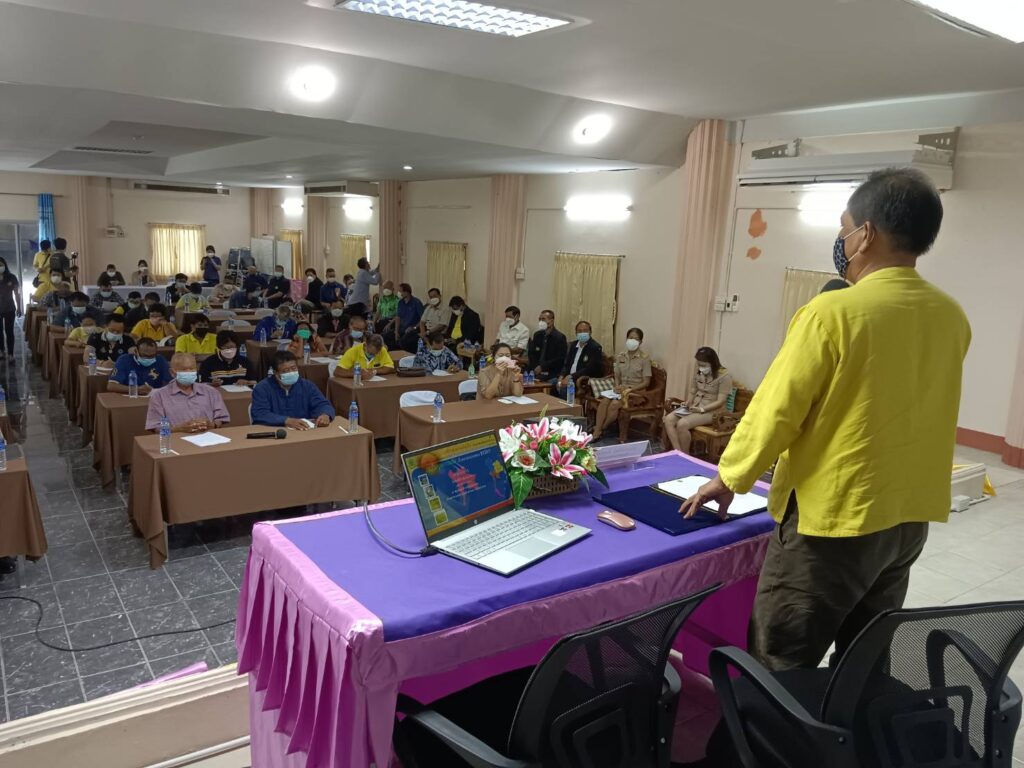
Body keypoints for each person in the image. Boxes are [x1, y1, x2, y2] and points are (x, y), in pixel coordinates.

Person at [682, 168, 971, 673]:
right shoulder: (950, 315)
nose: (842, 239)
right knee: (862, 660)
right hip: (908, 519)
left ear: (866, 234)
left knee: (780, 663)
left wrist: (730, 477)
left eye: (843, 228)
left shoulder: (833, 313)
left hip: (834, 521)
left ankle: (777, 727)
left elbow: (777, 409)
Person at [662, 347, 732, 453]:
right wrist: (688, 402)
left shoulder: (724, 376)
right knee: (668, 420)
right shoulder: (699, 372)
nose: (701, 368)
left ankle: (686, 455)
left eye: (704, 365)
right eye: (699, 364)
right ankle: (678, 453)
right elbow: (693, 390)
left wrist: (702, 409)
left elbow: (721, 401)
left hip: (713, 411)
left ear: (712, 363)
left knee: (682, 424)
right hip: (695, 407)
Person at [145, 353, 230, 434]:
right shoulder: (159, 396)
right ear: (172, 372)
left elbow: (221, 418)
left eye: (192, 369)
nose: (189, 372)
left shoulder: (211, 392)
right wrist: (178, 429)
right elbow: (156, 428)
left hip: (208, 439)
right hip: (176, 440)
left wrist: (212, 425)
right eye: (184, 369)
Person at [592, 328, 652, 440]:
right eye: (630, 338)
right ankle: (597, 430)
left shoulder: (644, 358)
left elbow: (646, 382)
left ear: (640, 342)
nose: (632, 340)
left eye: (636, 339)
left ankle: (601, 429)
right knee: (605, 401)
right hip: (621, 390)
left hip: (636, 392)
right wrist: (617, 386)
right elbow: (617, 376)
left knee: (614, 404)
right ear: (627, 339)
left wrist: (630, 389)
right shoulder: (621, 356)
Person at [251, 351, 335, 429]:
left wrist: (325, 414)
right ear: (275, 373)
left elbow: (323, 404)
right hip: (273, 431)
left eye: (294, 368)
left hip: (303, 431)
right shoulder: (262, 388)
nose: (291, 372)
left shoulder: (307, 385)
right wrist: (286, 421)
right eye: (285, 371)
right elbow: (260, 414)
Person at [108, 337, 172, 394]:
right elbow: (111, 386)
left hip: (154, 396)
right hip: (130, 397)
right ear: (136, 351)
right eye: (145, 355)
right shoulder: (124, 360)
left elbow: (171, 383)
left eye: (152, 356)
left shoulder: (160, 360)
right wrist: (136, 389)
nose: (148, 359)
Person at [556, 321, 602, 396]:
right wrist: (561, 376)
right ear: (576, 333)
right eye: (579, 331)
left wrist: (571, 377)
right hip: (569, 378)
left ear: (590, 332)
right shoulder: (573, 345)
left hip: (582, 380)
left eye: (585, 331)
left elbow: (590, 369)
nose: (582, 333)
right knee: (554, 384)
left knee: (564, 389)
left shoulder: (595, 347)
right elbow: (566, 364)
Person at [528, 309, 568, 384]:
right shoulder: (537, 335)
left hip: (551, 372)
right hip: (535, 371)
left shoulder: (560, 337)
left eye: (543, 319)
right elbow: (531, 353)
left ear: (551, 321)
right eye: (539, 319)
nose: (540, 322)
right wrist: (535, 367)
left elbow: (560, 358)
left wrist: (543, 367)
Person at [386, 283, 423, 351]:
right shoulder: (400, 303)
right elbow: (398, 317)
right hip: (402, 328)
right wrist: (396, 331)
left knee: (402, 342)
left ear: (407, 292)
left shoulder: (417, 302)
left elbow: (422, 319)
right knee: (386, 336)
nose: (399, 293)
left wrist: (414, 327)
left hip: (412, 329)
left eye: (400, 291)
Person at [0, 256, 23, 361]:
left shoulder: (11, 277)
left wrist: (19, 307)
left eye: (1, 265)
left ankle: (10, 353)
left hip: (9, 308)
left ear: (5, 265)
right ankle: (1, 350)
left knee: (9, 331)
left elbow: (17, 293)